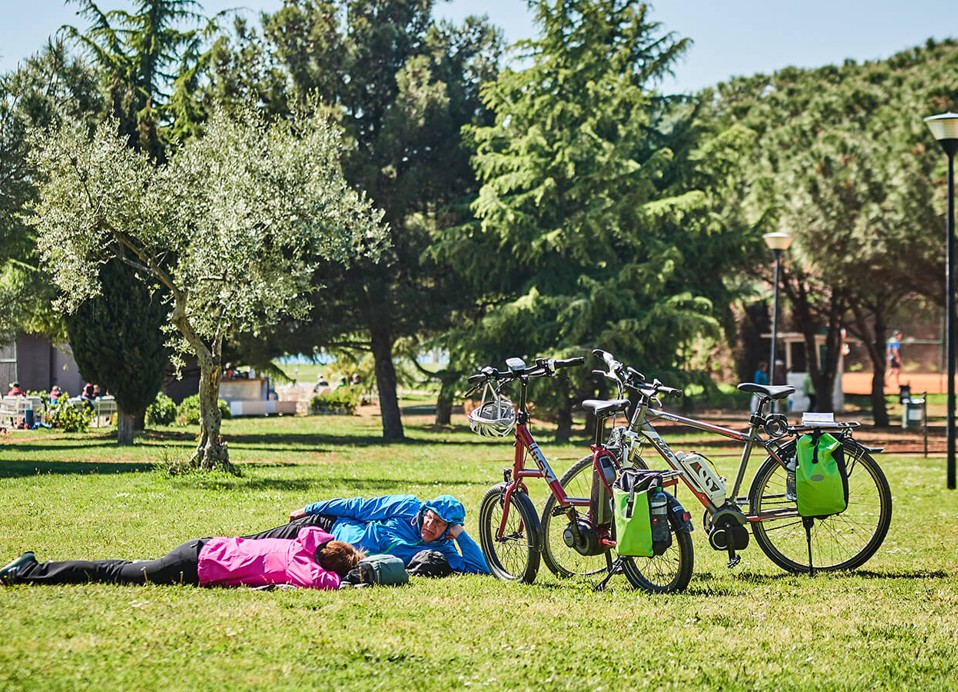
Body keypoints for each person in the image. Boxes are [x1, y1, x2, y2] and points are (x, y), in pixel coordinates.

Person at [1, 526, 362, 590]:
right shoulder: (301, 566)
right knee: (114, 572)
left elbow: (321, 537)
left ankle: (33, 567)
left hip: (201, 547)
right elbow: (324, 583)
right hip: (195, 566)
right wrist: (350, 577)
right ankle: (30, 571)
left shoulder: (302, 543)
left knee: (123, 567)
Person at [246, 494, 489, 577]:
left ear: (448, 530)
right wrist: (310, 509)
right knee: (256, 544)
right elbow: (357, 507)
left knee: (270, 560)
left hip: (338, 556)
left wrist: (460, 534)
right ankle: (211, 546)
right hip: (327, 527)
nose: (430, 525)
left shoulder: (441, 551)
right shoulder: (406, 506)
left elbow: (480, 569)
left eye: (439, 524)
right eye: (430, 517)